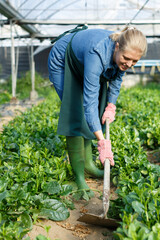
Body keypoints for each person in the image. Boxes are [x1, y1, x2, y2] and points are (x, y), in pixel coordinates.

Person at [48, 25, 147, 198]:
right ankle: (79, 174)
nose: (129, 64)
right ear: (117, 46)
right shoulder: (97, 54)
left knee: (95, 110)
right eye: (126, 58)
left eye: (135, 61)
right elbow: (89, 102)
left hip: (83, 62)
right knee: (75, 113)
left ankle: (88, 165)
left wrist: (111, 105)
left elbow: (116, 80)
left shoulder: (122, 55)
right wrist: (102, 142)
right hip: (63, 61)